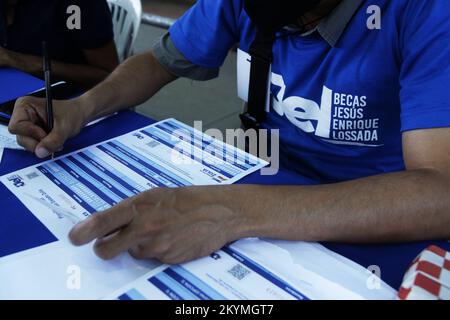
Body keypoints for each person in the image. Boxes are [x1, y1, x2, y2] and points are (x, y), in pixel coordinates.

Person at [8, 0, 450, 265]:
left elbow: (439, 191)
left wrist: (229, 210)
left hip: (377, 208)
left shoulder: (426, 13)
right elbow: (160, 62)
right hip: (266, 175)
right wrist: (82, 107)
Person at [0, 0, 119, 88]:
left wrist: (20, 61)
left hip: (75, 102)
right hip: (18, 91)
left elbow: (110, 76)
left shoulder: (76, 6)